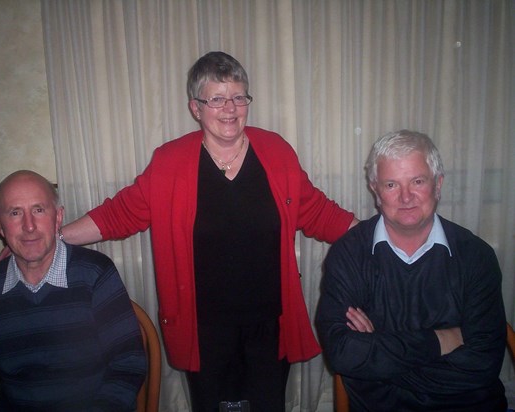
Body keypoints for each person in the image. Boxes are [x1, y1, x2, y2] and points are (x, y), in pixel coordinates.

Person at [55, 51, 358, 411]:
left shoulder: (276, 153)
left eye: (238, 97)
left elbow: (319, 212)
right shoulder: (170, 162)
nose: (230, 108)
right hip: (203, 328)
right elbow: (119, 214)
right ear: (195, 107)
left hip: (268, 324)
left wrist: (379, 235)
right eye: (216, 98)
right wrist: (51, 241)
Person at [316, 130, 507, 411]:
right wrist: (442, 340)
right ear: (375, 190)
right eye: (391, 184)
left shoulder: (476, 256)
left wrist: (377, 354)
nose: (406, 197)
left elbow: (482, 364)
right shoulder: (348, 254)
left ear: (438, 184)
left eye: (418, 181)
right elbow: (343, 354)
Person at [0, 170, 147, 411]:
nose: (29, 226)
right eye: (15, 213)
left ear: (58, 217)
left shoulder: (95, 274)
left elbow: (128, 361)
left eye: (39, 210)